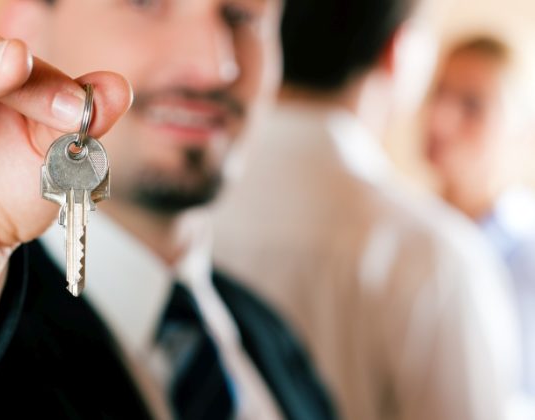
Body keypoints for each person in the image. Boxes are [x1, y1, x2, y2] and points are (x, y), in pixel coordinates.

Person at [0, 0, 334, 418]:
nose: (215, 66)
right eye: (147, 3)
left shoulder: (273, 339)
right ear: (27, 27)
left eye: (245, 15)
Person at [212, 1, 522, 419]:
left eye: (472, 104)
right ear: (399, 50)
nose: (443, 119)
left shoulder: (182, 212)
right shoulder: (434, 259)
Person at [424, 34, 535, 399]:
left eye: (473, 105)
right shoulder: (401, 231)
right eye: (437, 93)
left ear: (525, 130)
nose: (439, 119)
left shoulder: (527, 255)